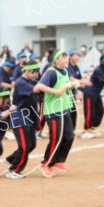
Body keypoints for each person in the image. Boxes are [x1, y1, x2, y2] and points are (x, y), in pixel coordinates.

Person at [34, 49, 76, 177]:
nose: (67, 59)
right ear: (56, 60)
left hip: (64, 108)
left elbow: (64, 87)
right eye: (63, 57)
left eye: (67, 56)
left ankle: (58, 160)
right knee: (56, 138)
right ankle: (46, 163)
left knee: (69, 136)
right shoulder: (51, 72)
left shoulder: (65, 71)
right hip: (53, 111)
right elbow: (38, 87)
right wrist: (56, 91)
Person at [5, 61, 40, 179]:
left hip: (28, 117)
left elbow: (41, 87)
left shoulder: (31, 81)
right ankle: (14, 170)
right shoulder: (21, 82)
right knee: (25, 146)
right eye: (35, 73)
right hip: (19, 117)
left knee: (31, 145)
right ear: (29, 71)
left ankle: (11, 160)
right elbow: (37, 89)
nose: (36, 75)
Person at [81, 55, 104, 139]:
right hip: (89, 92)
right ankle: (86, 130)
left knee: (100, 111)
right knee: (89, 112)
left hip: (96, 93)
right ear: (102, 62)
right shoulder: (98, 69)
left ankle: (92, 127)